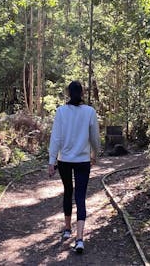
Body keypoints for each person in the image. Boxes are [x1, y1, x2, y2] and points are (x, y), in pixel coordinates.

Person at [48, 81, 100, 254]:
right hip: (83, 161)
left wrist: (51, 161)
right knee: (80, 196)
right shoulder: (90, 112)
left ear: (69, 93)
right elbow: (95, 137)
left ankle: (68, 229)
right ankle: (79, 239)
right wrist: (95, 153)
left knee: (68, 191)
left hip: (64, 160)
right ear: (82, 93)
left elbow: (56, 137)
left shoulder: (61, 111)